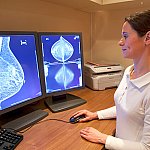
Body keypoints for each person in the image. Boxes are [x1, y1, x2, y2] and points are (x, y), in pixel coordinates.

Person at [72, 10, 150, 150]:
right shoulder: (129, 71)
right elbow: (126, 108)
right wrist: (96, 114)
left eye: (125, 36)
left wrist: (103, 138)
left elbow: (146, 147)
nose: (120, 42)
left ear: (148, 38)